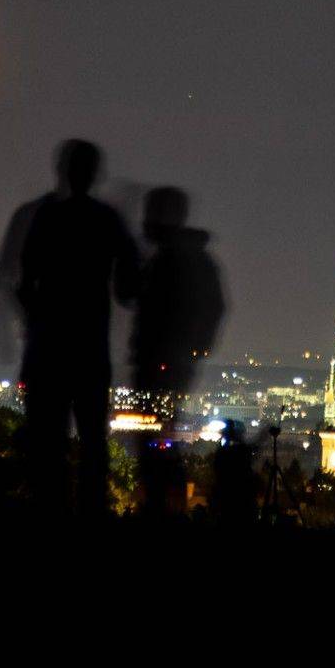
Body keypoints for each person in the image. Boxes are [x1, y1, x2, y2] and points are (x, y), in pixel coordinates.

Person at [17, 139, 140, 516]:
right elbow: (128, 286)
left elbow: (25, 282)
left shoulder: (45, 217)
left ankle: (49, 508)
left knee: (49, 442)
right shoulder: (106, 220)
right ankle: (89, 513)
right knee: (92, 443)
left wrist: (37, 323)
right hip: (89, 345)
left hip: (49, 345)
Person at [129, 186, 225, 517]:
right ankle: (164, 507)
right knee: (159, 439)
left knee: (156, 440)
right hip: (169, 363)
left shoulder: (172, 260)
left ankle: (160, 508)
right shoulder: (191, 259)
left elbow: (132, 297)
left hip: (162, 364)